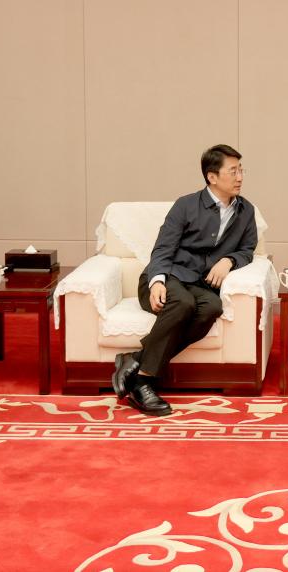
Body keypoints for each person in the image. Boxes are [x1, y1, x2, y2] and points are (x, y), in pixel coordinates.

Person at [112, 144, 257, 416]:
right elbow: (163, 248)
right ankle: (143, 381)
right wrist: (157, 281)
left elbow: (247, 250)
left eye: (241, 170)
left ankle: (135, 359)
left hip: (199, 285)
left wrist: (229, 260)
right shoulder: (186, 205)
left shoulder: (245, 211)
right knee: (183, 304)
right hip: (166, 277)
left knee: (212, 307)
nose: (240, 177)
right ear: (212, 177)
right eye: (233, 171)